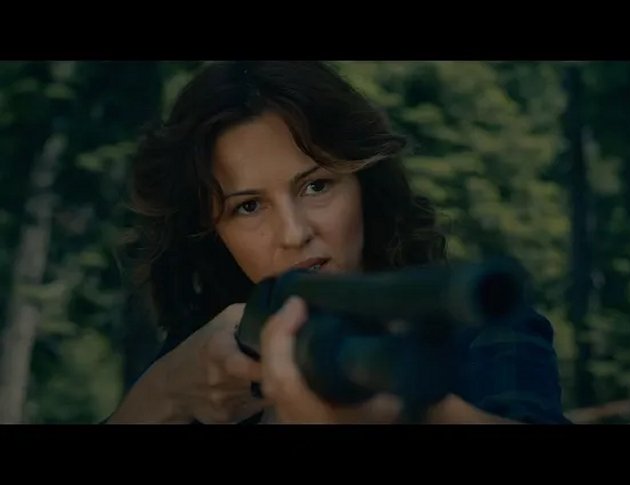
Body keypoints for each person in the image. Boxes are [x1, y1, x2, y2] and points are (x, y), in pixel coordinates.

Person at [106, 61, 569, 424]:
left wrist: (413, 416)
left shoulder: (483, 327)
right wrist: (165, 392)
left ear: (364, 184)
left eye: (316, 186)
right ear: (212, 234)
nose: (294, 233)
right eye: (248, 207)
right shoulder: (210, 359)